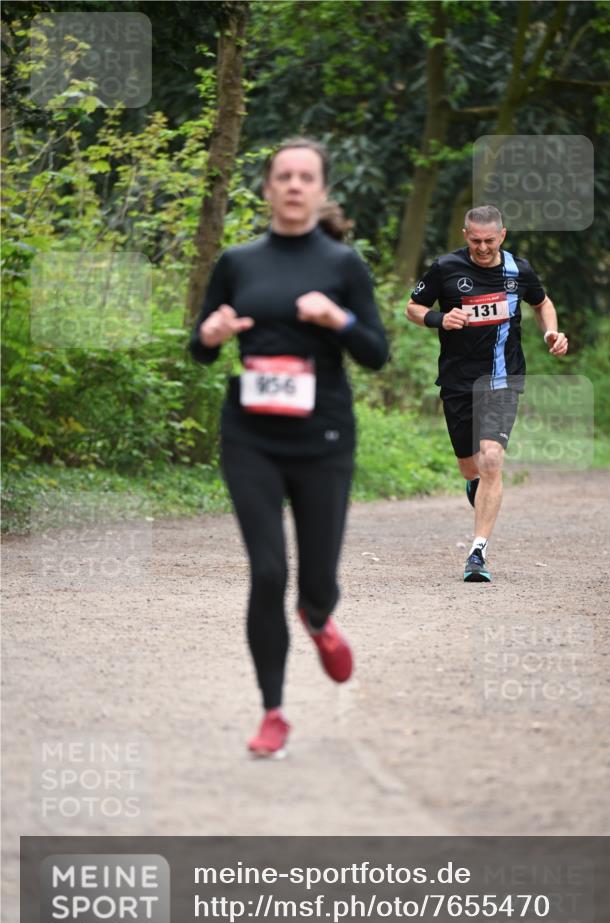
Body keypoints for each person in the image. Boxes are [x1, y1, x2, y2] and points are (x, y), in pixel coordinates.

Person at [190, 138, 388, 758]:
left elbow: (377, 353)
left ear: (321, 190)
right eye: (284, 176)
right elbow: (197, 346)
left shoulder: (343, 266)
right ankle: (273, 712)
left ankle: (320, 617)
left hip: (324, 436)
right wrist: (211, 332)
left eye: (306, 176)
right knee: (267, 570)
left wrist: (340, 321)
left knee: (316, 581)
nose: (295, 185)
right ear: (269, 188)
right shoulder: (238, 261)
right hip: (250, 433)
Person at [405, 205, 568, 583]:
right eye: (475, 240)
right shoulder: (446, 268)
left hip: (503, 379)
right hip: (458, 381)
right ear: (466, 235)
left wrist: (550, 333)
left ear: (502, 236)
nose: (482, 248)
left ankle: (477, 551)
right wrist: (439, 318)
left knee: (491, 459)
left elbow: (542, 303)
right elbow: (413, 308)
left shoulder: (518, 271)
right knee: (471, 466)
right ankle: (477, 487)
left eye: (489, 241)